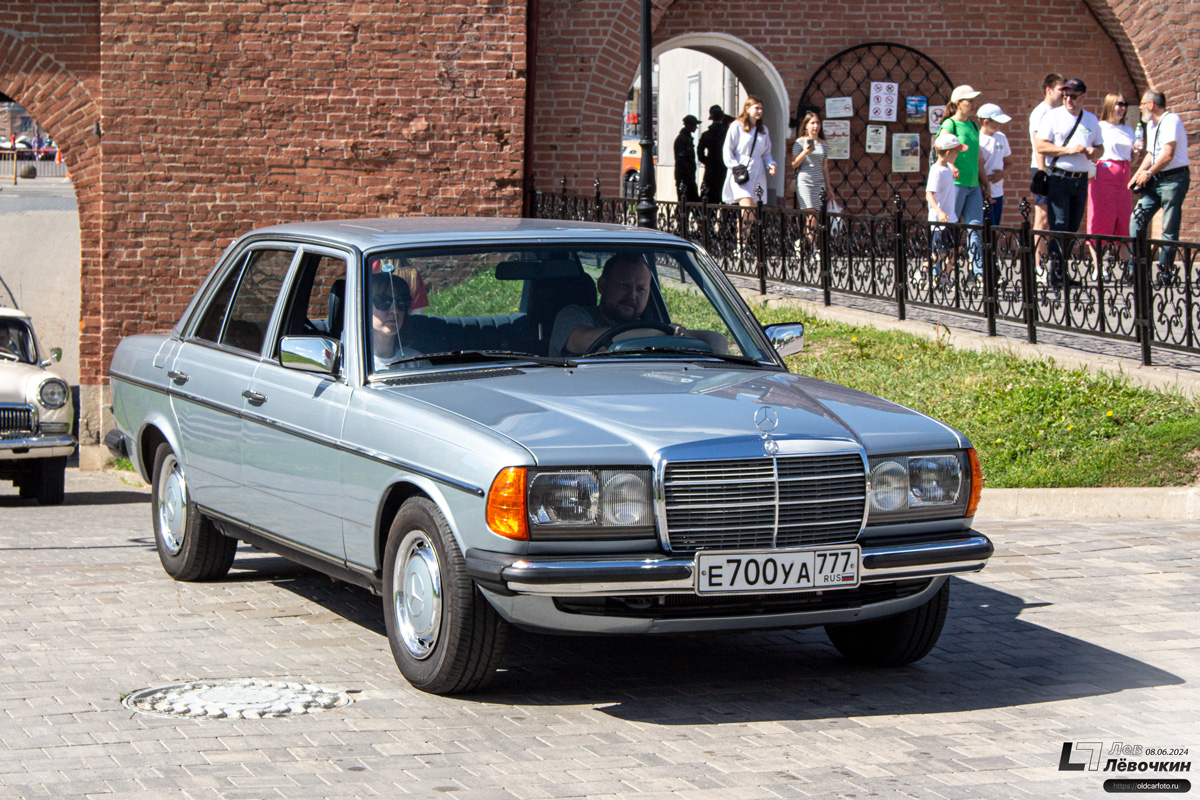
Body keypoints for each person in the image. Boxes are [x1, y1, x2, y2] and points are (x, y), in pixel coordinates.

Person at [548, 254, 726, 357]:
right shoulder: (572, 316)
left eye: (640, 289)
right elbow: (583, 341)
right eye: (625, 285)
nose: (632, 295)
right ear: (602, 286)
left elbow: (714, 337)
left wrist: (719, 363)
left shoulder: (651, 326)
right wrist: (658, 334)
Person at [1036, 78, 1102, 288]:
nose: (1068, 99)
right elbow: (1041, 146)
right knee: (1060, 225)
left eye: (1073, 96)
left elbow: (1101, 148)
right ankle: (1055, 274)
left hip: (1080, 180)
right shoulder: (1053, 116)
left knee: (1072, 227)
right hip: (1059, 177)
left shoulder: (1091, 120)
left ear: (1083, 96)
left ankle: (1062, 272)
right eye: (1065, 95)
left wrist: (1093, 152)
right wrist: (1068, 150)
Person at [1130, 89, 1191, 285]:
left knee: (1169, 226)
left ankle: (1165, 273)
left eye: (1141, 104)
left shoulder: (1171, 120)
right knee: (1137, 217)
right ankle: (1136, 268)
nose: (1139, 107)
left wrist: (1149, 173)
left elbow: (1168, 155)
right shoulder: (1151, 124)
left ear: (1151, 104)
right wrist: (1139, 173)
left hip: (1173, 179)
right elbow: (1151, 154)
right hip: (1156, 178)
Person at [939, 86, 989, 272]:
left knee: (975, 228)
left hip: (973, 185)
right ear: (958, 103)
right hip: (956, 184)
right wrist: (951, 165)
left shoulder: (974, 126)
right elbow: (940, 147)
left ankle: (979, 273)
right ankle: (938, 269)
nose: (974, 104)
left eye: (975, 100)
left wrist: (985, 183)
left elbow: (977, 158)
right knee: (949, 228)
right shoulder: (950, 125)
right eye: (970, 101)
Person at [1030, 73, 1065, 271]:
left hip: (1057, 168)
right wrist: (1042, 170)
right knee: (1042, 218)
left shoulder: (1060, 112)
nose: (1064, 94)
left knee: (1055, 218)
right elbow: (1037, 143)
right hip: (1042, 167)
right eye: (1061, 90)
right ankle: (1038, 265)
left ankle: (1054, 263)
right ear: (1049, 89)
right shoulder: (1040, 112)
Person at [1088, 92, 1135, 239]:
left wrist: (1137, 152)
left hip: (1124, 179)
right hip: (1104, 177)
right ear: (1110, 105)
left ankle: (1125, 261)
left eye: (1125, 105)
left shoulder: (1128, 130)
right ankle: (1097, 260)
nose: (1122, 108)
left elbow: (1131, 158)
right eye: (1119, 104)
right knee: (1102, 220)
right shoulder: (1100, 127)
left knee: (1124, 221)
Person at [722, 96, 777, 207]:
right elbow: (728, 149)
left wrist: (771, 165)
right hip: (742, 169)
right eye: (756, 108)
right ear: (747, 108)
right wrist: (735, 167)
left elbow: (766, 153)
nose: (760, 111)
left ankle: (742, 225)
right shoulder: (737, 126)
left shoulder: (763, 130)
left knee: (752, 212)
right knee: (746, 208)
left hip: (758, 170)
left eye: (761, 108)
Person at [927, 132, 967, 277]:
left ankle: (945, 275)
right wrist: (939, 211)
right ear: (949, 153)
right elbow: (929, 194)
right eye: (957, 151)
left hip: (951, 218)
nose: (958, 154)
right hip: (939, 221)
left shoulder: (946, 169)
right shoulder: (936, 171)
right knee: (938, 254)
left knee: (957, 249)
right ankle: (923, 272)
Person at [369, 270, 424, 370]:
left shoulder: (417, 362)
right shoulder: (353, 364)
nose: (395, 311)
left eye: (400, 301)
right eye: (383, 301)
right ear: (366, 308)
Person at [977, 103, 1012, 224]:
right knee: (984, 227)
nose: (1000, 125)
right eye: (997, 122)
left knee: (995, 226)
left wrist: (1004, 174)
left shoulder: (1001, 137)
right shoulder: (977, 139)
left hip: (998, 191)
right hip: (982, 192)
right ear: (986, 122)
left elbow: (1009, 162)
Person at [790, 111, 832, 210]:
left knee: (816, 216)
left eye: (817, 123)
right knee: (810, 215)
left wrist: (829, 188)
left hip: (819, 182)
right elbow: (794, 164)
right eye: (812, 123)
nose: (815, 126)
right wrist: (804, 152)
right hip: (805, 181)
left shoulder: (824, 144)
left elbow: (825, 168)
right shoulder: (800, 142)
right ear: (806, 126)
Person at [697, 105, 729, 203]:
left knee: (708, 200)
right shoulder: (727, 133)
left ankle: (708, 218)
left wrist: (708, 161)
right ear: (722, 117)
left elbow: (700, 153)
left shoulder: (706, 135)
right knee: (726, 200)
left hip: (711, 170)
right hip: (725, 168)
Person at [673, 115, 701, 202]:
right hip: (684, 176)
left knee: (692, 201)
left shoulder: (687, 138)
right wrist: (688, 173)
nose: (696, 127)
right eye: (694, 125)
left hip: (689, 175)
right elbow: (681, 160)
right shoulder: (682, 140)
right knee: (685, 201)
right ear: (689, 125)